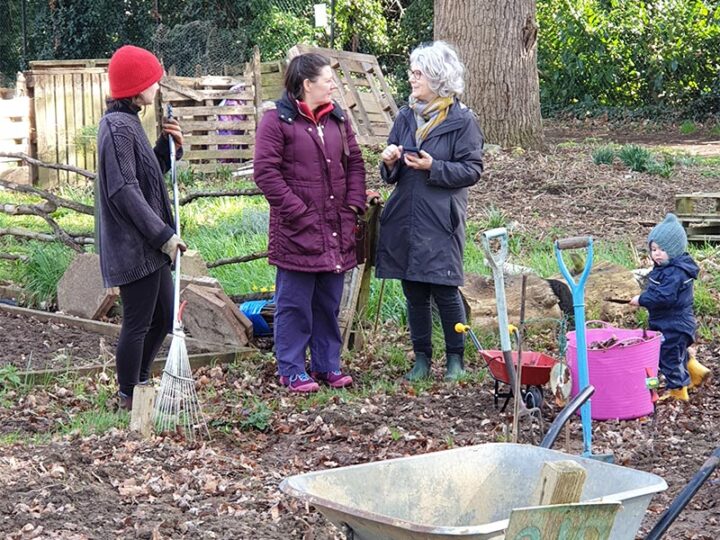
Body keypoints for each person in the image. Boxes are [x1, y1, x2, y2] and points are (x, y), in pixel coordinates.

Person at [254, 53, 366, 393]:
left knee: (327, 303)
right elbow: (266, 173)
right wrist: (298, 212)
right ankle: (290, 369)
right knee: (294, 304)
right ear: (307, 84)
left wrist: (354, 205)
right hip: (296, 231)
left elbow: (356, 164)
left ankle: (327, 366)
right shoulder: (277, 121)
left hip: (335, 226)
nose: (333, 84)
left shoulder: (338, 120)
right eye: (327, 79)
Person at [375, 41, 484, 382]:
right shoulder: (406, 115)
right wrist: (389, 161)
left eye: (418, 73)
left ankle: (456, 361)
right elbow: (389, 174)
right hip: (406, 215)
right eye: (412, 72)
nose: (411, 79)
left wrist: (434, 166)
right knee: (414, 291)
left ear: (438, 77)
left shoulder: (463, 120)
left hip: (441, 218)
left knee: (445, 289)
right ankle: (421, 360)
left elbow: (472, 170)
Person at [96, 45, 186, 411]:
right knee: (137, 323)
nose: (157, 85)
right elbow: (124, 191)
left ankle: (140, 382)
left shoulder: (128, 122)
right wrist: (162, 236)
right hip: (134, 245)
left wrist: (167, 149)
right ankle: (129, 396)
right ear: (136, 87)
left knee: (163, 316)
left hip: (146, 244)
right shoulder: (116, 128)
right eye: (151, 79)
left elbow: (144, 179)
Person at [630, 213, 711, 401]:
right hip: (672, 322)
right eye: (654, 249)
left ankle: (678, 391)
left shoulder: (675, 272)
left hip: (674, 324)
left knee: (667, 357)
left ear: (675, 250)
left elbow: (664, 296)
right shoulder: (667, 268)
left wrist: (642, 299)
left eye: (662, 249)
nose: (657, 253)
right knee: (673, 352)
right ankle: (696, 372)